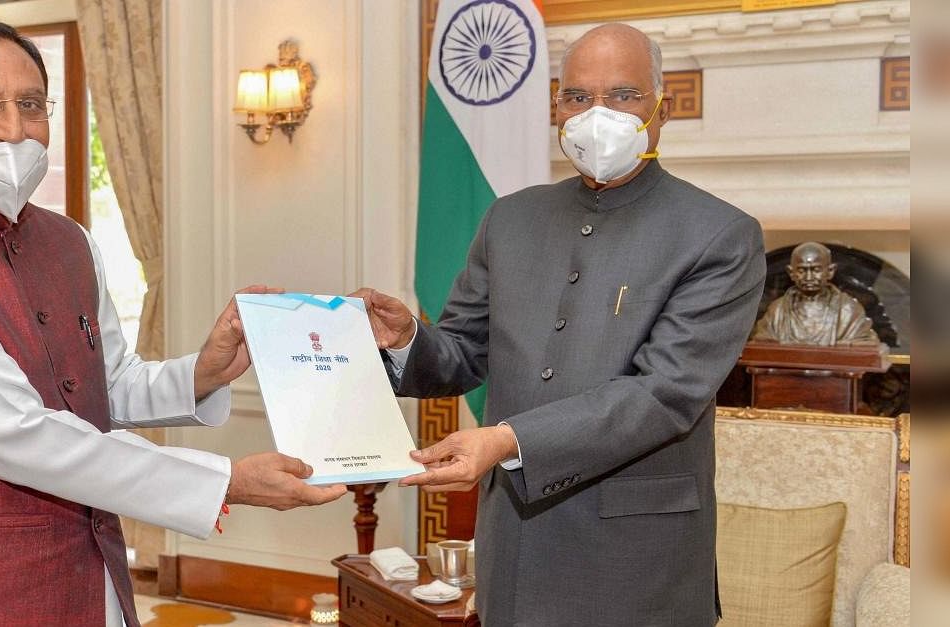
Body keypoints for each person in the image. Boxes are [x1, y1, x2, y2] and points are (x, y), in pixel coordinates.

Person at [0, 18, 345, 626]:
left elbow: (104, 384)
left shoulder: (68, 242)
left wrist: (200, 373)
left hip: (89, 574)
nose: (12, 129)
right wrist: (227, 480)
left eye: (31, 105)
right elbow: (13, 432)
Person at [355, 23, 766, 625]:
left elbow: (664, 394)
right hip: (514, 541)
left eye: (623, 95)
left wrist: (505, 440)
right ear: (556, 107)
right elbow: (465, 352)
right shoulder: (511, 218)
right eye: (578, 97)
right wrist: (406, 340)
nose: (598, 114)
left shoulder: (719, 234)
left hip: (638, 555)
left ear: (662, 108)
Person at [750, 241, 880, 346]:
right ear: (791, 272)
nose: (808, 277)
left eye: (816, 269)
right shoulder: (777, 311)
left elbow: (864, 345)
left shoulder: (849, 310)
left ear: (830, 271)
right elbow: (762, 343)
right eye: (801, 270)